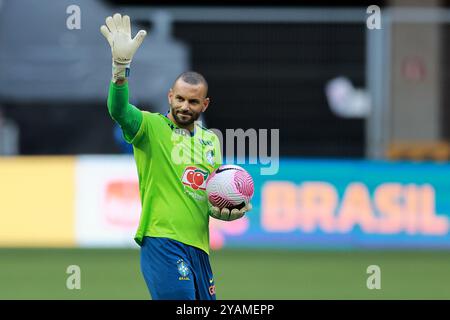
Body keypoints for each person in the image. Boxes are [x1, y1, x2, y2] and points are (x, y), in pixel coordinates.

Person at [101, 13, 252, 300]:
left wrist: (226, 209)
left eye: (193, 101)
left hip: (199, 249)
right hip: (162, 242)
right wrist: (120, 69)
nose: (185, 106)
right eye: (180, 98)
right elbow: (118, 110)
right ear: (170, 96)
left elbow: (211, 196)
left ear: (204, 104)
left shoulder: (210, 142)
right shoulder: (150, 127)